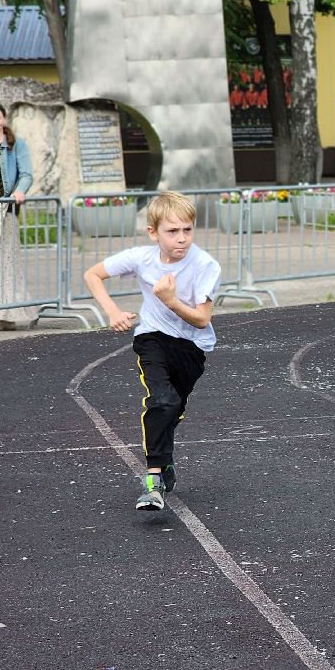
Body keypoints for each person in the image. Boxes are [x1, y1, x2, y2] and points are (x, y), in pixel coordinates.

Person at [82, 191, 222, 511]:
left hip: (192, 348)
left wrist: (171, 300)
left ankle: (166, 460)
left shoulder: (205, 265)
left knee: (172, 410)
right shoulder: (142, 258)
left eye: (187, 230)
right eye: (172, 232)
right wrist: (112, 312)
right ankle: (153, 480)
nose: (182, 239)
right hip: (152, 339)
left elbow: (201, 319)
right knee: (162, 400)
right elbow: (93, 274)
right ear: (153, 233)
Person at [0, 99, 37, 330]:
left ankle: (13, 315)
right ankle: (21, 311)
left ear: (3, 119)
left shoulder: (16, 145)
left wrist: (19, 191)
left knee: (6, 266)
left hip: (5, 213)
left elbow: (26, 174)